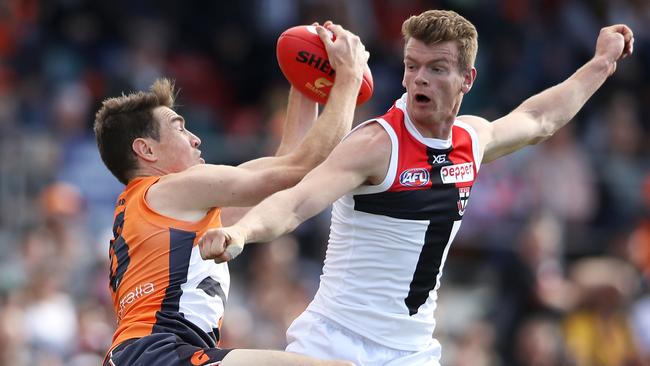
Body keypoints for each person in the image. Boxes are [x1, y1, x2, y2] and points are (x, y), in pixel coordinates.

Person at [198, 9, 635, 366]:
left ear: (467, 79)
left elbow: (540, 120)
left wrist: (601, 64)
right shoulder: (375, 144)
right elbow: (295, 203)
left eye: (436, 68)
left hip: (412, 351)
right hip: (334, 344)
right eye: (412, 66)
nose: (418, 79)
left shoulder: (471, 139)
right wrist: (242, 233)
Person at [94, 22, 366, 366]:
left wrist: (307, 82)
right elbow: (304, 165)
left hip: (145, 354)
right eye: (179, 127)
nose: (195, 138)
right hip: (161, 352)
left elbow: (288, 169)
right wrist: (349, 76)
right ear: (146, 150)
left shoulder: (161, 211)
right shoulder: (173, 189)